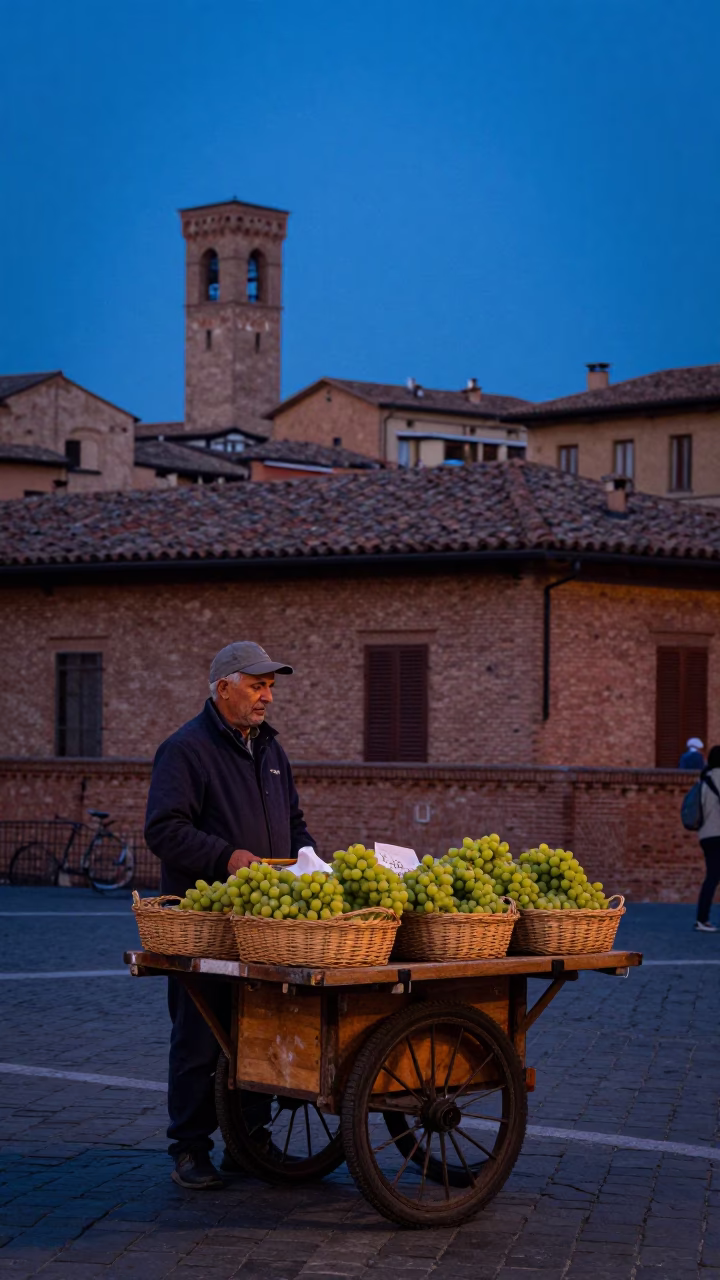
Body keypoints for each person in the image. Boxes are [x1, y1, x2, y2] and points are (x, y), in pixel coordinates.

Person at [144, 640, 315, 1188]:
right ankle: (190, 1148)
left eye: (271, 687)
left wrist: (313, 863)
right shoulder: (186, 749)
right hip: (207, 925)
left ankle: (250, 1142)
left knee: (260, 1029)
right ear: (223, 688)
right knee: (200, 1034)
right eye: (257, 685)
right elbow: (164, 830)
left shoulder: (271, 752)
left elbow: (295, 823)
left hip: (264, 927)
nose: (267, 696)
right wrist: (226, 856)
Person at [695, 744, 720, 933]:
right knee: (713, 877)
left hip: (706, 835)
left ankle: (702, 919)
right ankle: (702, 920)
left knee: (711, 877)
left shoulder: (703, 780)